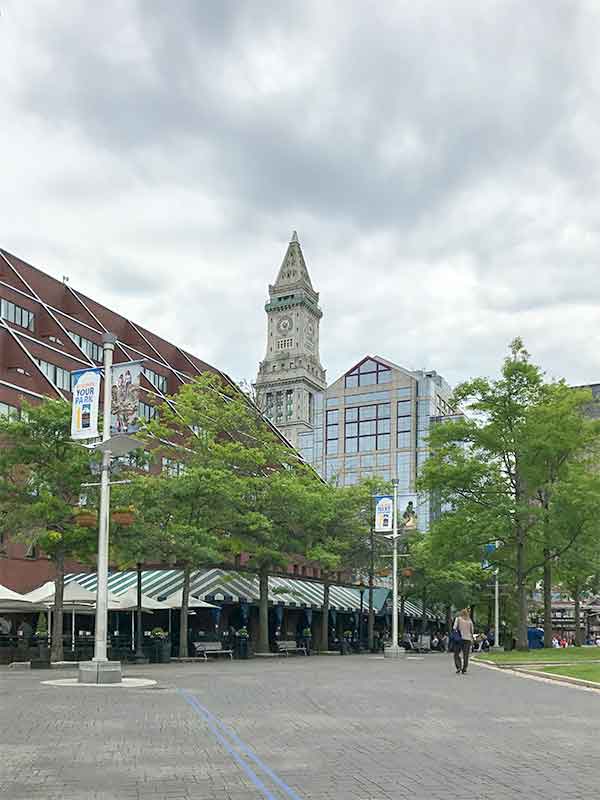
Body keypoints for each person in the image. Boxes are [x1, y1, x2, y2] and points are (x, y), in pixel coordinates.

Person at [452, 608, 474, 675]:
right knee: (466, 655)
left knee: (456, 654)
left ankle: (458, 667)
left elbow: (454, 628)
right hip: (467, 639)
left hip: (459, 639)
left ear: (461, 613)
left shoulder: (458, 619)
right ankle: (464, 669)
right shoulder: (470, 621)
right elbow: (472, 631)